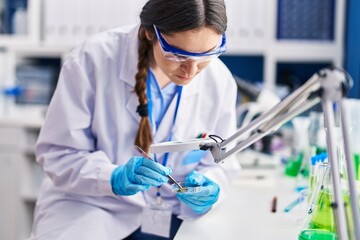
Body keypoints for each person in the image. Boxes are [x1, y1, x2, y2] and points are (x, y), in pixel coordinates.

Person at [30, 0, 240, 239]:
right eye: (178, 54)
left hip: (173, 212)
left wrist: (211, 186)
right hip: (92, 206)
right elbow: (58, 154)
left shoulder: (219, 80)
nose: (191, 71)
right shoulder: (92, 61)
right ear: (151, 33)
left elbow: (221, 164)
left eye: (206, 54)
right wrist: (112, 177)